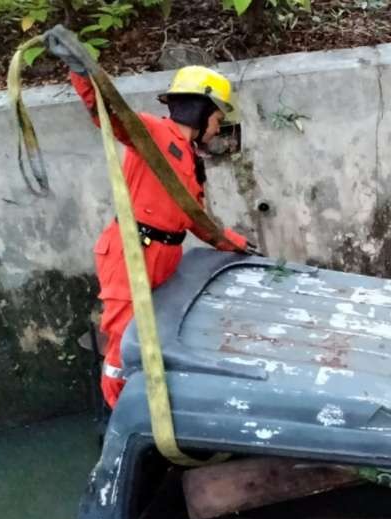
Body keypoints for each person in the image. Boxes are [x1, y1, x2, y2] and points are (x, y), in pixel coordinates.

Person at [44, 27, 258, 408]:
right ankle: (124, 422)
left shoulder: (190, 160)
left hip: (163, 258)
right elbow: (106, 112)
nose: (217, 125)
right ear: (202, 108)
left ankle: (154, 410)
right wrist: (80, 71)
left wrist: (238, 246)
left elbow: (196, 219)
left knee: (150, 338)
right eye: (216, 116)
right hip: (132, 253)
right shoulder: (153, 133)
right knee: (122, 343)